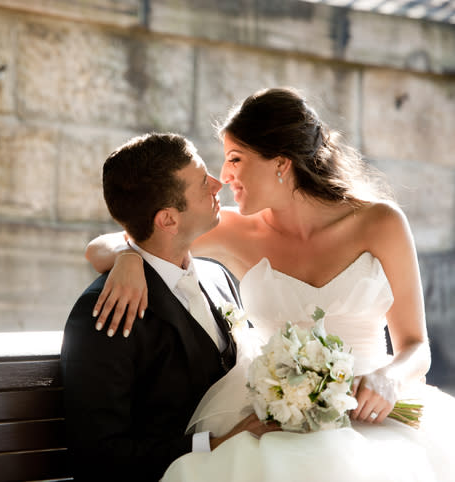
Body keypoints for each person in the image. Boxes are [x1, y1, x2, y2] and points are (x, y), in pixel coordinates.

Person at [85, 88, 455, 481]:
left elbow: (417, 346)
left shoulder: (380, 222)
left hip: (372, 413)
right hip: (276, 420)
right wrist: (129, 257)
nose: (223, 177)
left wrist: (388, 378)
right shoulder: (232, 229)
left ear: (280, 162)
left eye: (235, 159)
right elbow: (103, 245)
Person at [61, 132, 278, 482]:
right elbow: (99, 456)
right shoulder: (101, 312)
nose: (217, 183)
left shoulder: (219, 277)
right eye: (200, 182)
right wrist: (217, 443)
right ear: (167, 220)